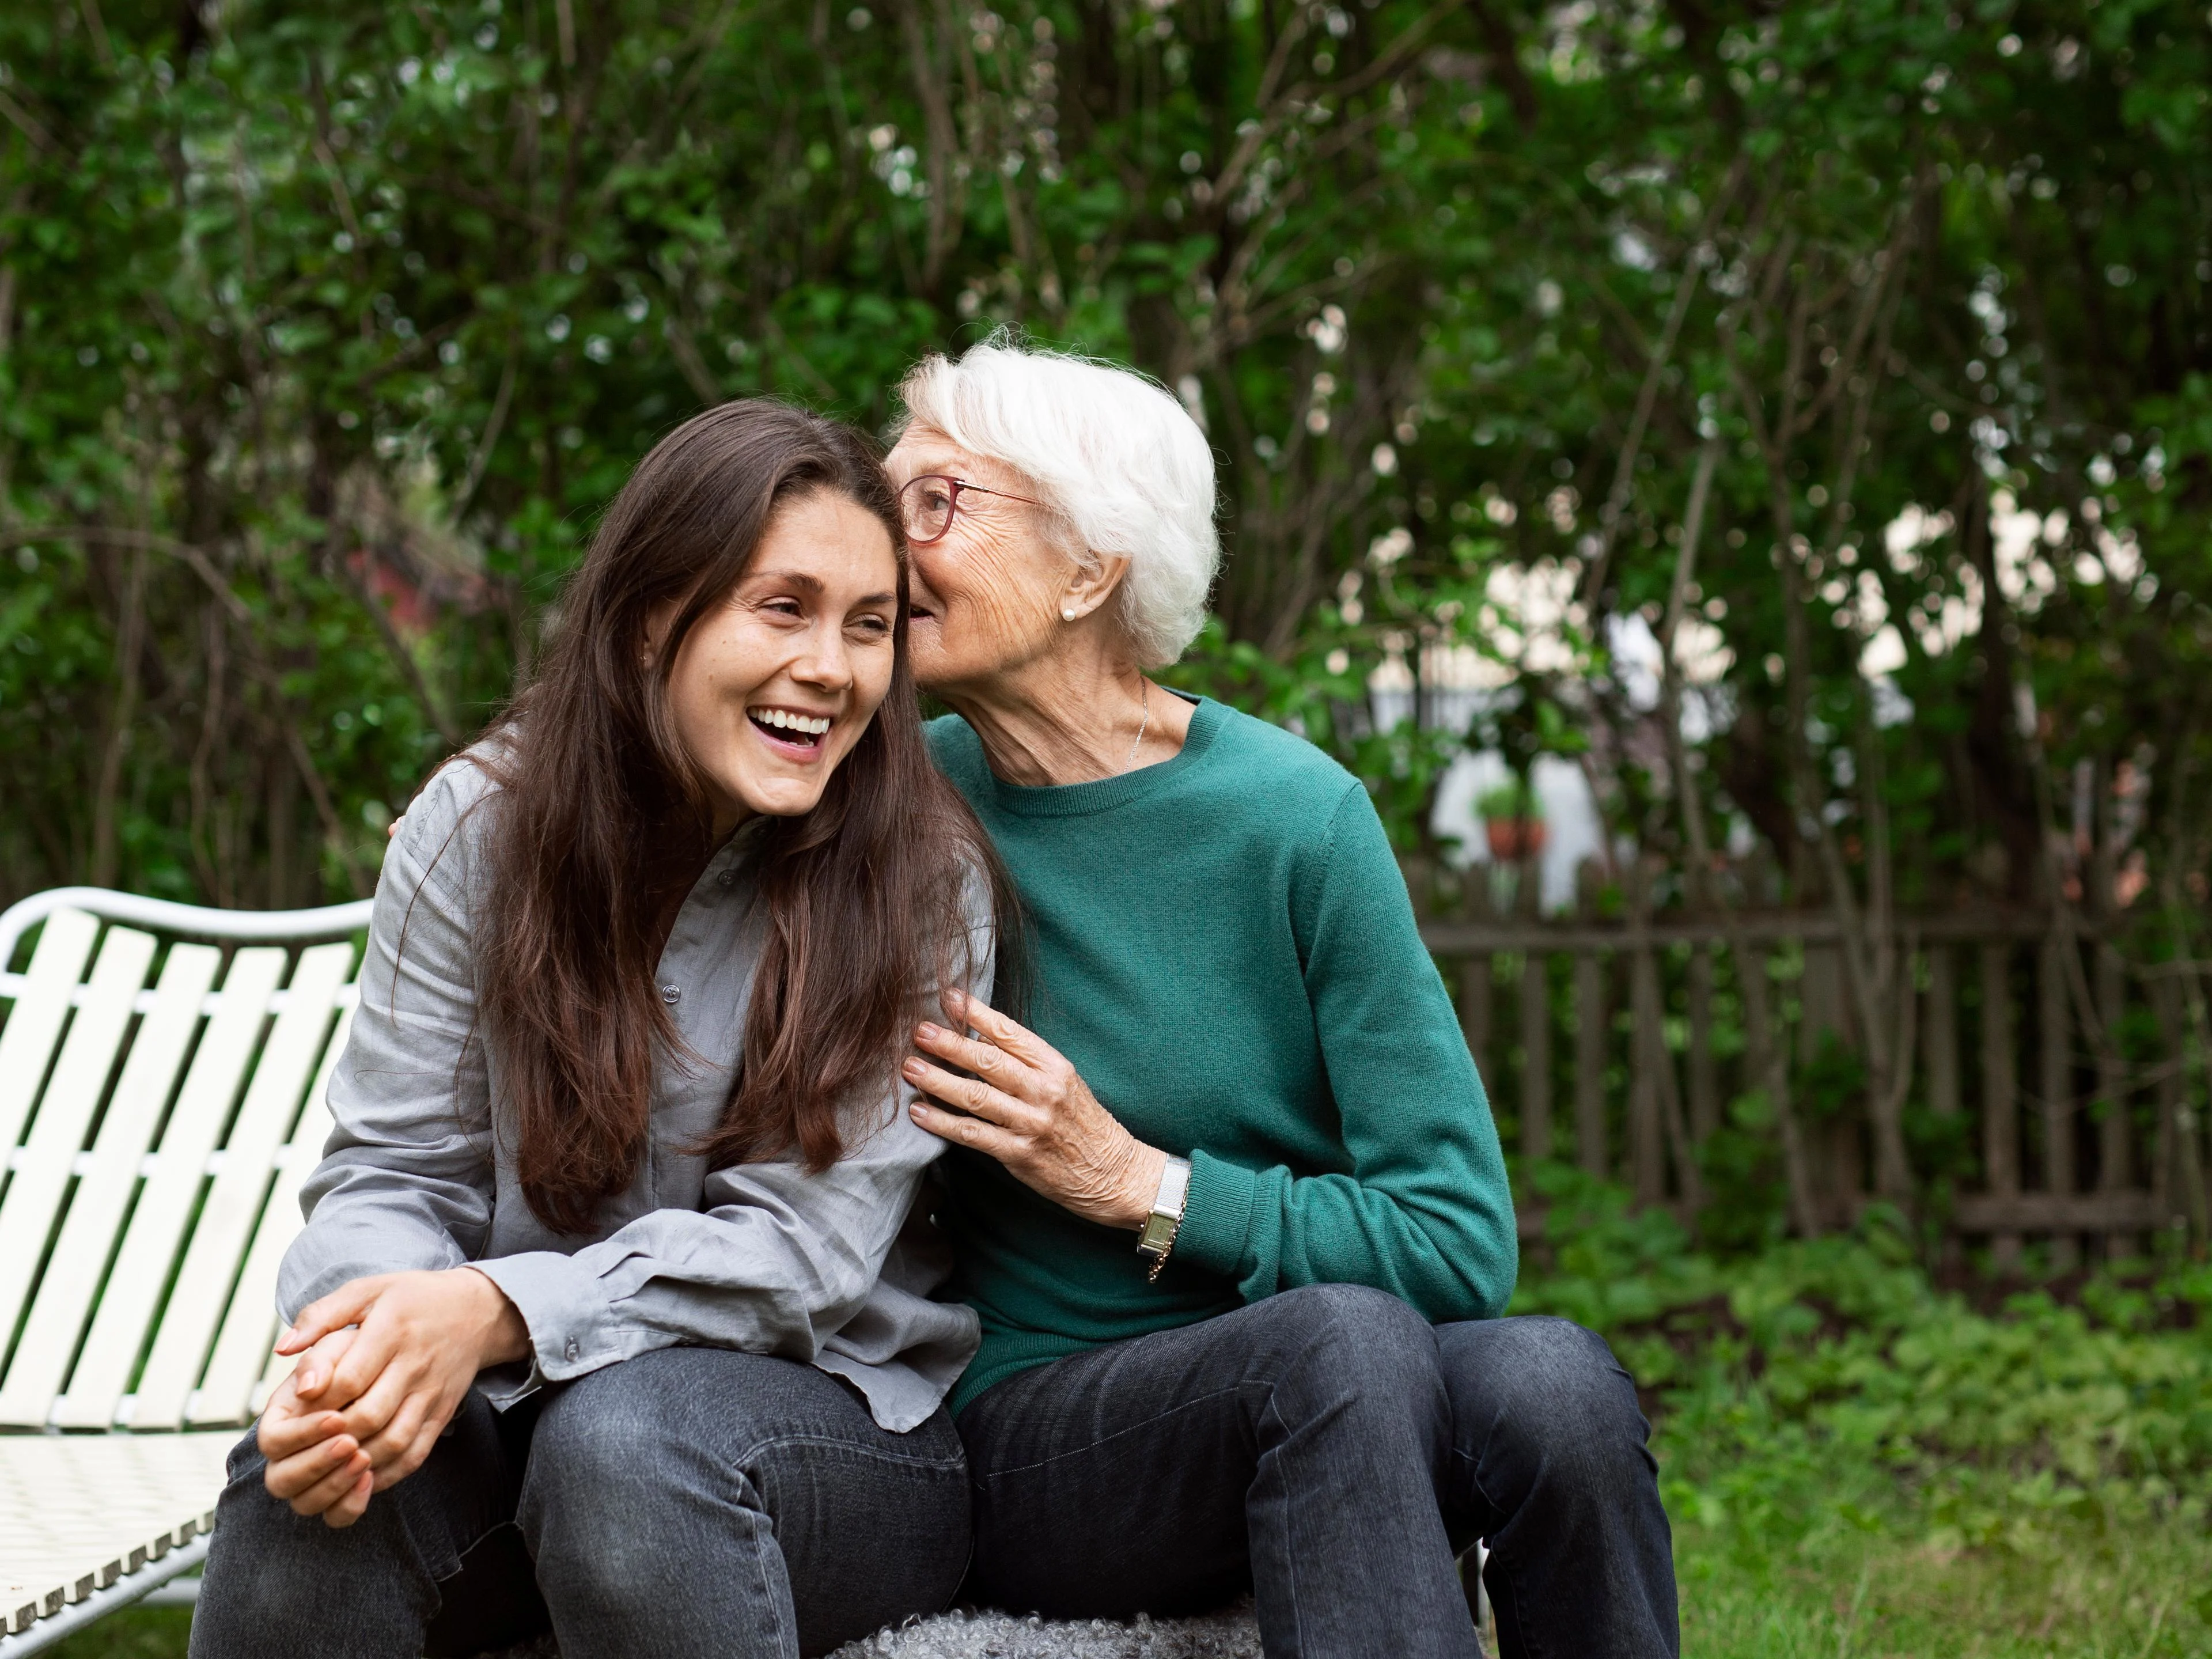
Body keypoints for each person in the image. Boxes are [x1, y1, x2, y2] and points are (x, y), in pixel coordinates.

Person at [884, 335, 1680, 1658]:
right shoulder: (892, 811)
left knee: (1552, 1386)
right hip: (1044, 1435)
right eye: (883, 497)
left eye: (940, 501)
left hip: (1332, 1366)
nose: (887, 544)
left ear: (1091, 568)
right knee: (1335, 1346)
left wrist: (1141, 1183)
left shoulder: (1296, 820)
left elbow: (1456, 1241)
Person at [190, 402, 998, 1659]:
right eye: (781, 608)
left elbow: (806, 1253)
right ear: (646, 623)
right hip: (518, 1436)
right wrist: (354, 1349)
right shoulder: (478, 830)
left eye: (870, 626)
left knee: (619, 1444)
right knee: (323, 1475)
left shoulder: (921, 879)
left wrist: (497, 1311)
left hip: (835, 1444)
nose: (835, 669)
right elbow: (392, 1171)